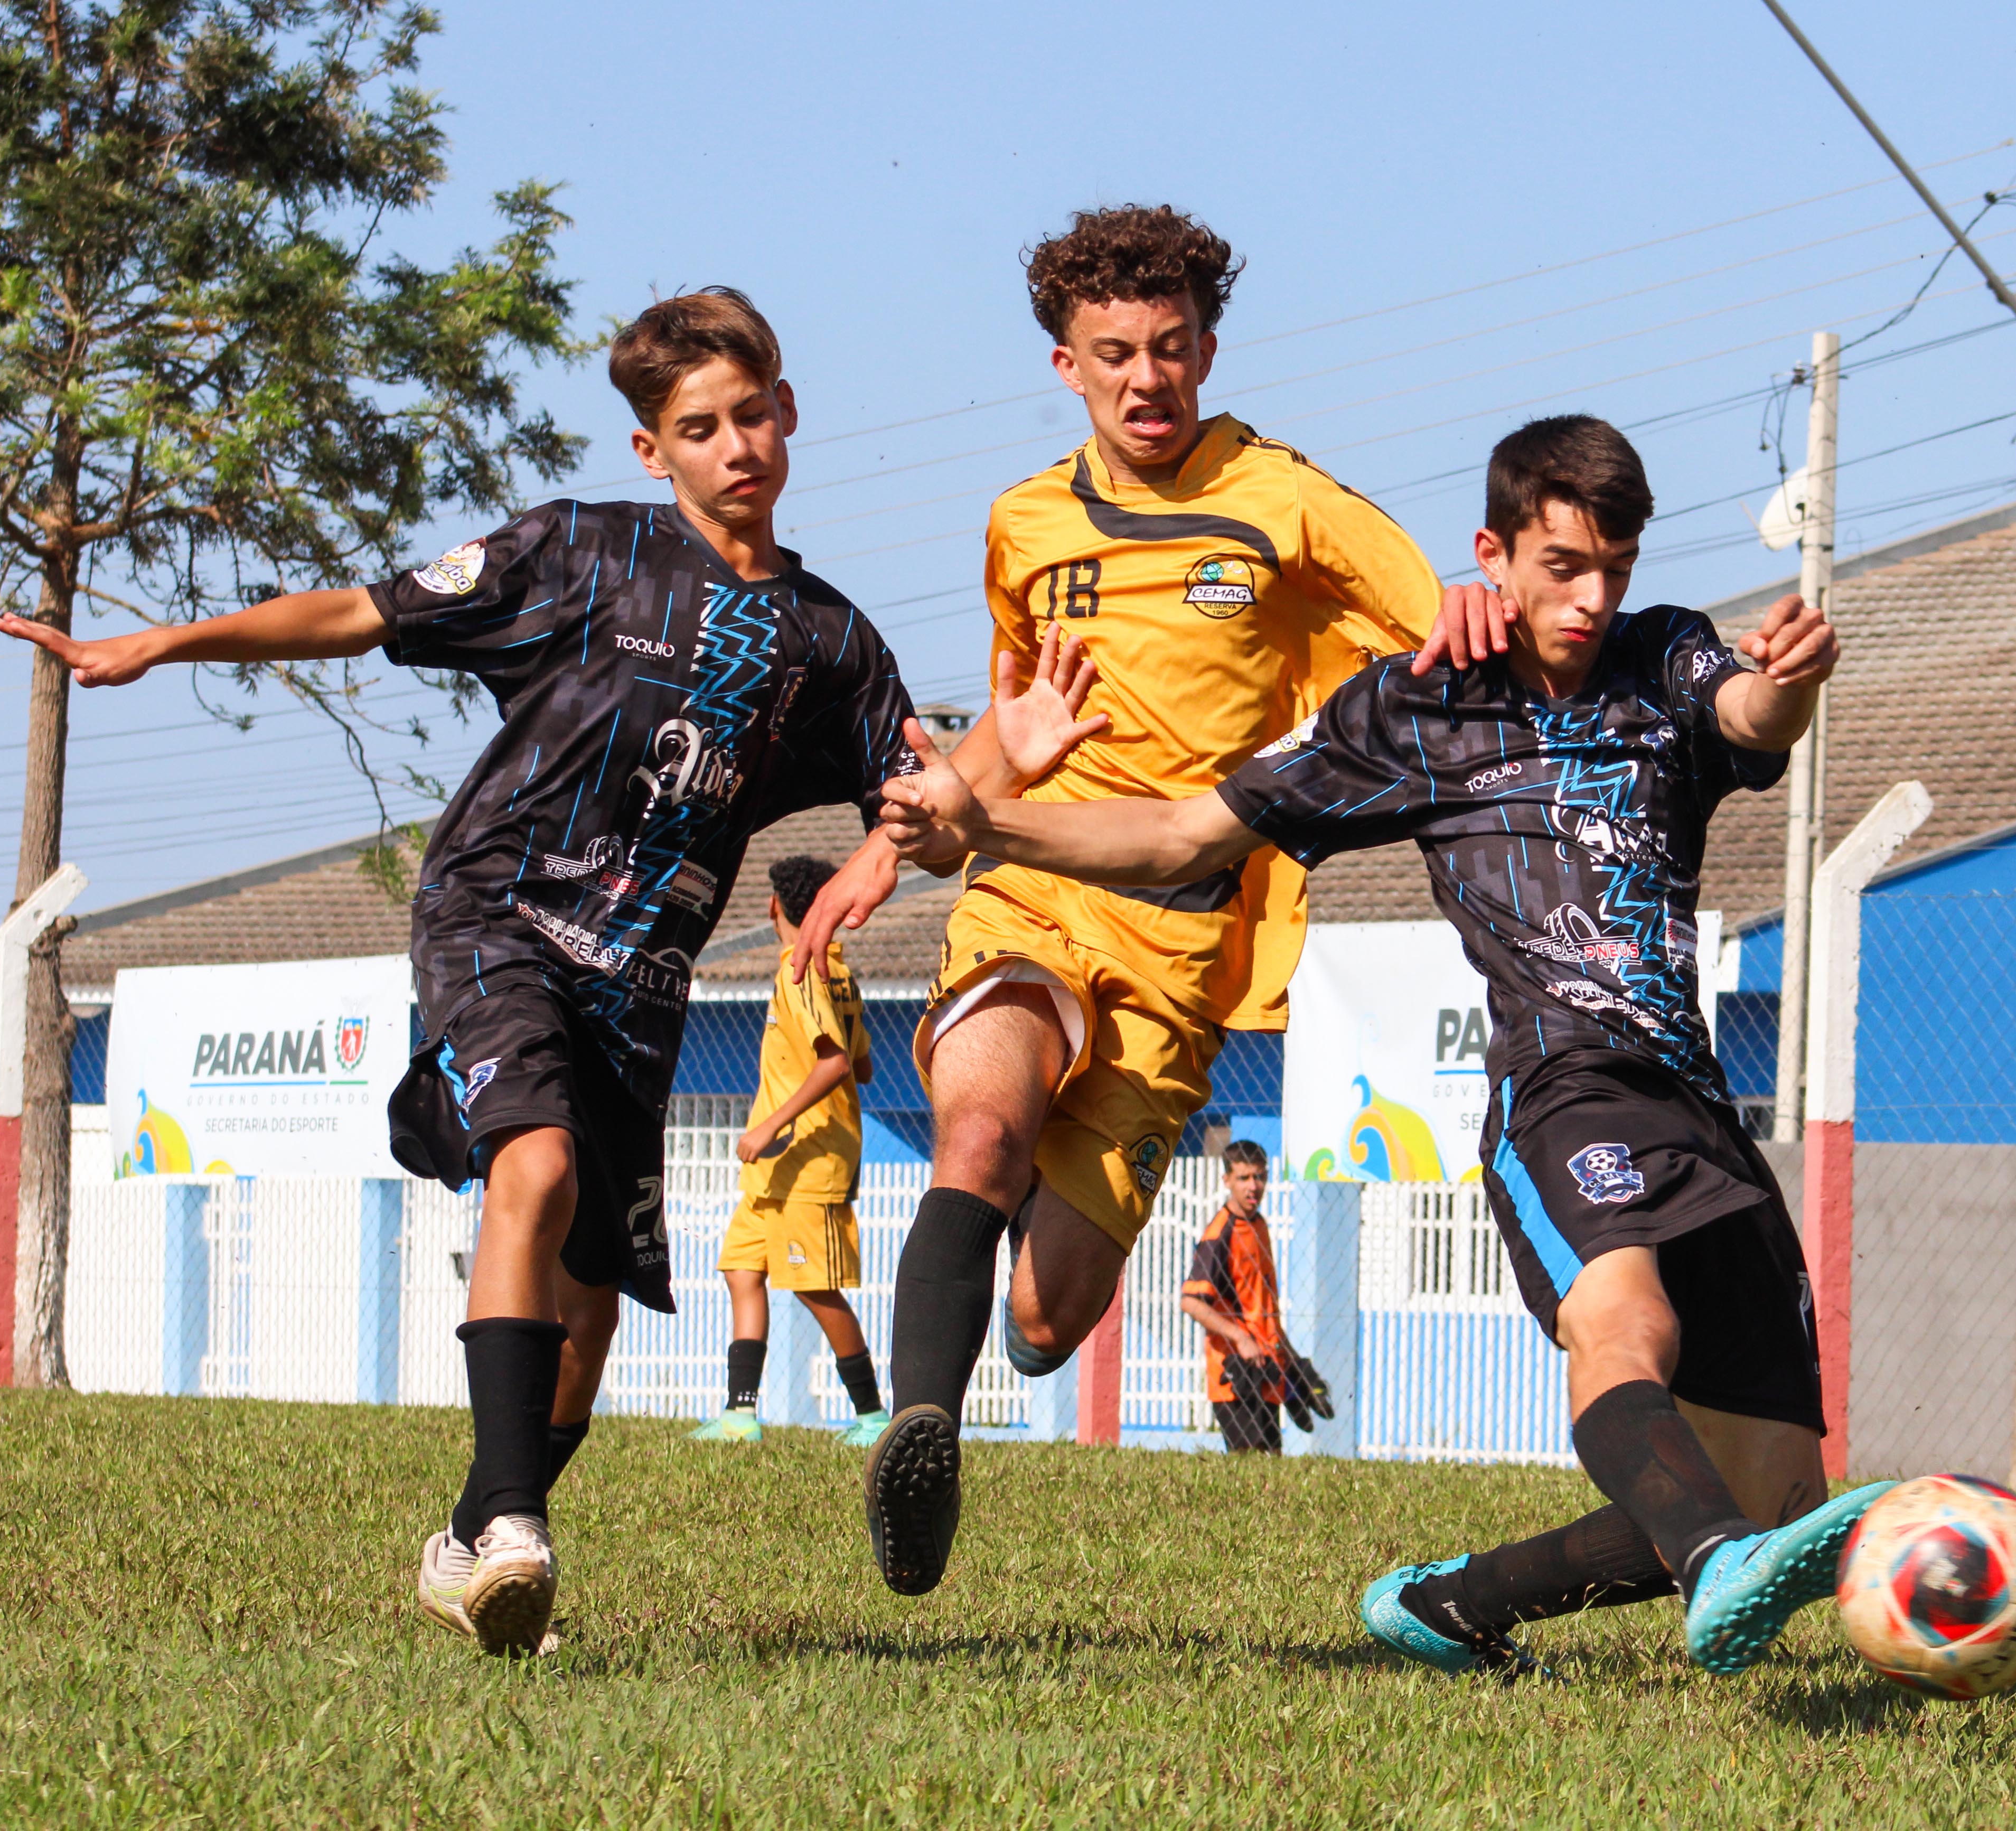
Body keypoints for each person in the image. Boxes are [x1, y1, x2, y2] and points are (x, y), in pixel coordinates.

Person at [0, 286, 1094, 1656]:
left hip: (640, 983)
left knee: (588, 1313)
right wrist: (163, 643)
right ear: (655, 452)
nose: (735, 444)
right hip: (498, 912)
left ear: (788, 413)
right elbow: (364, 610)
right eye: (700, 428)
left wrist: (1004, 750)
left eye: (753, 414)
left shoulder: (829, 645)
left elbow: (920, 818)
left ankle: (475, 1531)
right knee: (534, 1165)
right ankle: (513, 1527)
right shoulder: (577, 554)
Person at [874, 413, 1894, 1678]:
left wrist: (1791, 675)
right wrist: (992, 826)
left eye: (1611, 568)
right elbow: (1188, 834)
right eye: (1561, 566)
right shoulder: (1420, 705)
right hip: (1560, 1089)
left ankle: (1456, 1602)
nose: (1588, 599)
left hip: (1695, 1107)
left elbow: (1748, 712)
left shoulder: (1662, 652)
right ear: (1494, 552)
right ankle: (1712, 1569)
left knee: (1772, 1499)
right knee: (1620, 1325)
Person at [799, 203, 1514, 1600]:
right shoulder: (1022, 524)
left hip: (1182, 936)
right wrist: (910, 824)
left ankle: (997, 1303)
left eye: (1171, 349)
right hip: (1029, 887)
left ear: (1206, 347)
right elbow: (1013, 728)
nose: (1145, 379)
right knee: (983, 1123)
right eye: (1113, 352)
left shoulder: (1283, 498)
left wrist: (1478, 609)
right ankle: (918, 1438)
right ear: (1064, 363)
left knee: (1047, 1318)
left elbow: (1427, 612)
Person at [691, 853, 888, 1447]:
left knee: (813, 1286)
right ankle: (740, 1415)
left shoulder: (803, 971)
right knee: (741, 1270)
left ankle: (874, 1416)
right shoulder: (836, 972)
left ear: (775, 906)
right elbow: (864, 1065)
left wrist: (769, 1123)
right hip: (777, 1169)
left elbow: (835, 1065)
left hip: (808, 1160)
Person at [1178, 1139, 1289, 1454]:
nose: (1254, 1186)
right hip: (1235, 1371)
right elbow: (1190, 1301)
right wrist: (1240, 1337)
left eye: (1260, 1177)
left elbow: (1262, 1302)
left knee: (1273, 1465)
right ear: (1226, 1180)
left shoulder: (1259, 1226)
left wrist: (1288, 1356)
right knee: (1250, 1465)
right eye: (1244, 1178)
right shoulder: (1220, 1234)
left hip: (1266, 1363)